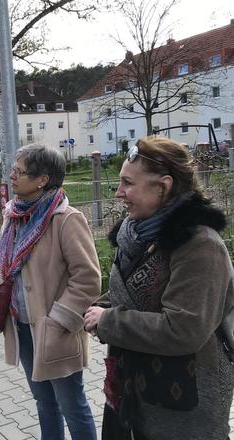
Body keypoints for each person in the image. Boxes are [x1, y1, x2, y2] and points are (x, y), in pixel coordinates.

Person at [84, 135, 234, 439]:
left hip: (185, 402)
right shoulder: (136, 235)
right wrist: (105, 306)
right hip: (134, 389)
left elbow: (184, 330)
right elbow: (137, 296)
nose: (118, 193)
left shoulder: (200, 246)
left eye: (128, 183)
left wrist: (110, 321)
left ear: (163, 186)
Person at [0, 144, 101, 439]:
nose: (12, 175)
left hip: (56, 331)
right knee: (43, 403)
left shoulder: (66, 219)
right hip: (22, 327)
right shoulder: (13, 217)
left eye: (19, 171)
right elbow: (4, 265)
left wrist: (59, 320)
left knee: (72, 406)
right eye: (13, 169)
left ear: (42, 179)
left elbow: (88, 278)